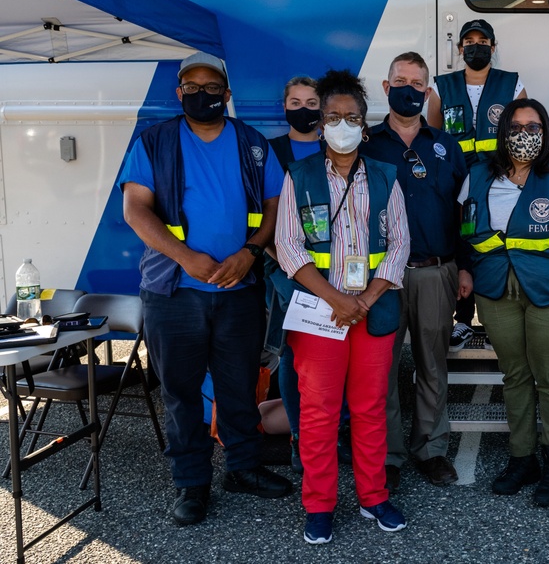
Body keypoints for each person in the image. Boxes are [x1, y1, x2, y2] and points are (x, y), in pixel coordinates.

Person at [120, 52, 292, 526]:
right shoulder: (154, 142)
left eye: (212, 86)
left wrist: (251, 252)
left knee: (238, 386)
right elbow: (136, 210)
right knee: (180, 391)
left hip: (239, 289)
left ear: (227, 94)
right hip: (174, 292)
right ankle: (191, 483)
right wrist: (186, 258)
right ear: (179, 94)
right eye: (192, 87)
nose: (202, 94)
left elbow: (276, 206)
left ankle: (242, 468)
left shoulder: (253, 144)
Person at [274, 69, 411, 542]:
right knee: (319, 412)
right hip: (321, 314)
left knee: (370, 408)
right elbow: (289, 248)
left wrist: (366, 299)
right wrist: (337, 299)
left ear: (364, 124)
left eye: (351, 116)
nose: (342, 124)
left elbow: (399, 246)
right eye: (333, 116)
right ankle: (319, 504)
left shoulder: (385, 176)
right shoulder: (300, 175)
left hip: (373, 313)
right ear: (321, 123)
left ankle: (374, 497)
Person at [459, 98, 549, 508]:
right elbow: (466, 229)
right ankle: (522, 458)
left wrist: (547, 259)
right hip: (497, 290)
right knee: (514, 375)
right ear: (503, 131)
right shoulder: (479, 175)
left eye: (534, 127)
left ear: (546, 133)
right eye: (517, 126)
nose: (525, 135)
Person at [360, 52, 469, 491]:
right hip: (381, 278)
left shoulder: (446, 145)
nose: (410, 89)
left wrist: (463, 266)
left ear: (427, 91)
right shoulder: (366, 144)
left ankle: (431, 449)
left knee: (432, 365)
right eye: (400, 81)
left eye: (418, 83)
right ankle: (387, 454)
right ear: (386, 89)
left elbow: (465, 212)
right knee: (381, 369)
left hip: (435, 272)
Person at [262, 76, 354, 474]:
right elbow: (264, 215)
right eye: (295, 101)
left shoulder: (333, 147)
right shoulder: (271, 152)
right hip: (286, 271)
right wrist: (287, 263)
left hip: (337, 275)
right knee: (295, 356)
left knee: (339, 354)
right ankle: (302, 437)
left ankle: (338, 433)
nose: (304, 108)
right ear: (284, 106)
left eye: (312, 101)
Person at [426, 18, 527, 351]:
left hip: (497, 178)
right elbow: (434, 136)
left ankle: (506, 316)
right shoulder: (443, 85)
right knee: (462, 239)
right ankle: (464, 321)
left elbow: (523, 130)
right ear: (460, 49)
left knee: (496, 238)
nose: (475, 46)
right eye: (469, 41)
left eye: (482, 41)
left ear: (493, 48)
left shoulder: (511, 84)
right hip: (456, 179)